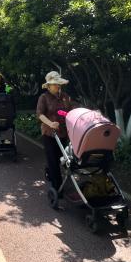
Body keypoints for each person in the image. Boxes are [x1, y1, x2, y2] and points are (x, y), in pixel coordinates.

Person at [36, 71, 79, 202]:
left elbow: (72, 109)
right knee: (53, 161)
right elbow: (40, 114)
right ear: (49, 86)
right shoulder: (44, 97)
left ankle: (52, 171)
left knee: (63, 159)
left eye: (58, 84)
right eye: (55, 84)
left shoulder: (65, 97)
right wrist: (50, 123)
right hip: (49, 133)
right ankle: (57, 188)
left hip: (63, 133)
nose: (58, 86)